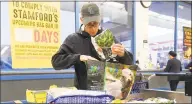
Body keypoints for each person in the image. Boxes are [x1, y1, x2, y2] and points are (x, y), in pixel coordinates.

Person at [51, 3, 133, 90]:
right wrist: (78, 58)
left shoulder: (108, 37)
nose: (93, 28)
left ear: (100, 19)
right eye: (89, 24)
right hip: (85, 94)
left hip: (109, 92)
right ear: (82, 20)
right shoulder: (73, 39)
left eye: (96, 24)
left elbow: (129, 61)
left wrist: (123, 54)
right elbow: (56, 62)